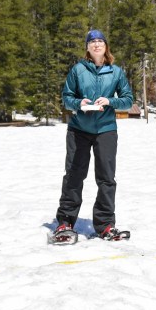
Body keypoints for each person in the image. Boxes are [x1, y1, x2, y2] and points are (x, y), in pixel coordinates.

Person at [52, 29, 134, 243]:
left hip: (106, 130)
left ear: (106, 47)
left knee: (106, 178)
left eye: (100, 41)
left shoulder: (116, 72)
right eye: (92, 42)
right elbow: (66, 97)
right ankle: (65, 223)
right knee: (74, 175)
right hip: (78, 130)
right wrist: (79, 103)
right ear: (87, 48)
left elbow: (128, 100)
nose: (96, 44)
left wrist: (110, 101)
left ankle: (105, 225)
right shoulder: (78, 70)